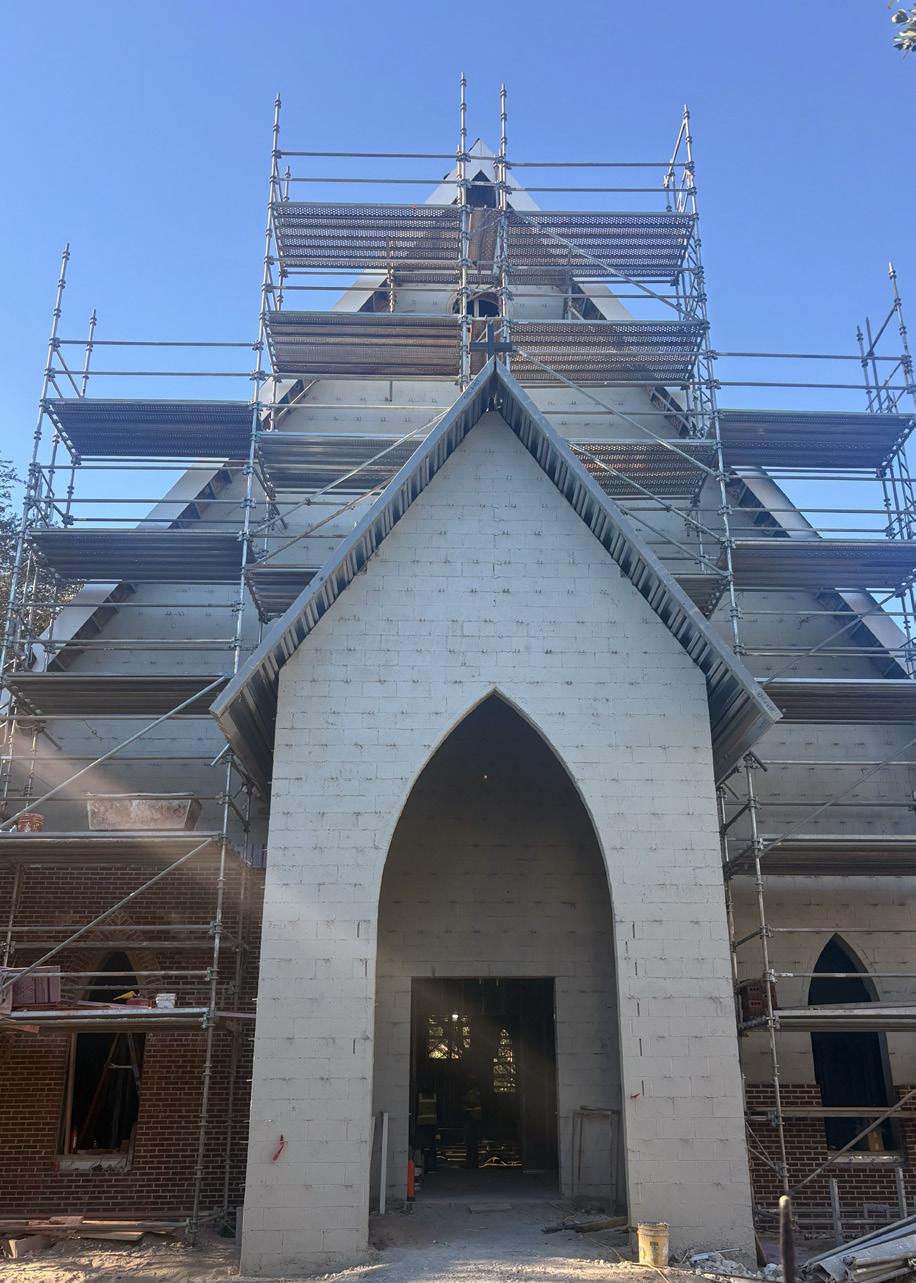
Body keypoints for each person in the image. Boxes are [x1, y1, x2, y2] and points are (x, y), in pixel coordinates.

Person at [462, 1078, 482, 1169]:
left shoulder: (472, 1093)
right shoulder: (475, 1092)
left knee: (470, 1142)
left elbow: (472, 1104)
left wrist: (464, 1102)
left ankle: (471, 1163)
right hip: (474, 1118)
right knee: (472, 1143)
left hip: (471, 1118)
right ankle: (472, 1162)